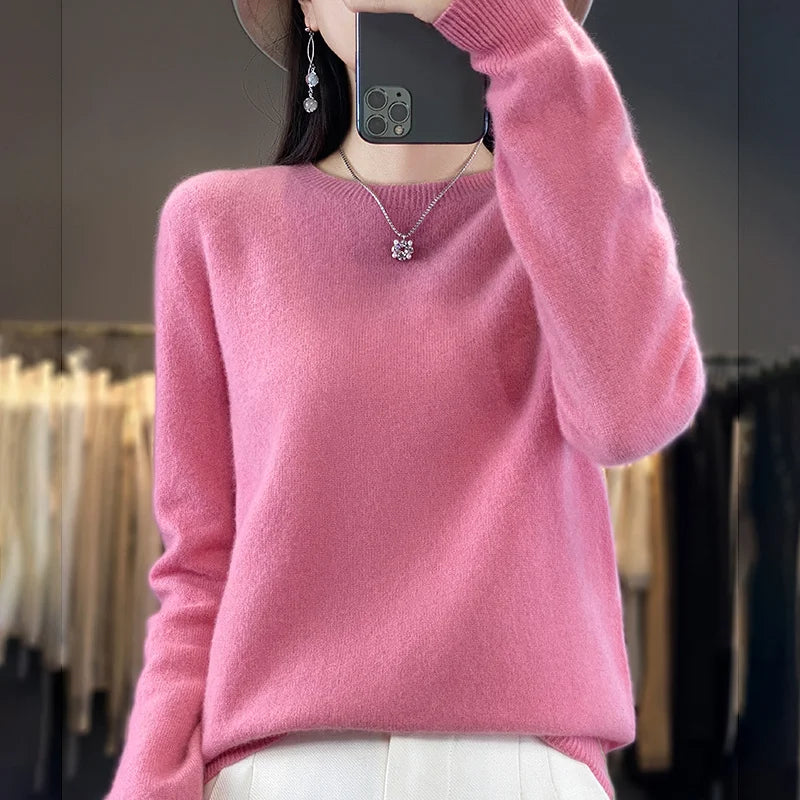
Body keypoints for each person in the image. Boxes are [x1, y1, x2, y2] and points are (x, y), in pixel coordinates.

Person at [105, 0, 707, 798]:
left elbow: (630, 416)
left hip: (520, 769)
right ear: (305, 11)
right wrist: (150, 783)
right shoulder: (217, 226)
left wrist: (522, 37)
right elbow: (198, 566)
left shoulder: (566, 223)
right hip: (282, 771)